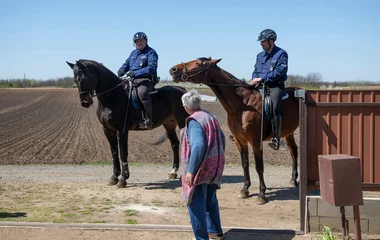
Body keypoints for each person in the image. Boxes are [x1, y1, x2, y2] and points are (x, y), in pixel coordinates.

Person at [180, 89, 226, 240]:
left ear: (186, 106)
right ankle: (216, 231)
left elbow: (198, 146)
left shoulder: (193, 121)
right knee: (210, 198)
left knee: (195, 201)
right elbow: (223, 138)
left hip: (201, 169)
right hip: (215, 166)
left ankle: (201, 238)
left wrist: (191, 171)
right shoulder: (209, 116)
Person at [249, 29, 288, 150]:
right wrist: (254, 79)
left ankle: (276, 139)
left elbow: (279, 72)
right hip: (259, 85)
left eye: (263, 42)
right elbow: (256, 70)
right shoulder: (260, 55)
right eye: (260, 42)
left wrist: (262, 78)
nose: (261, 44)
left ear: (271, 41)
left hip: (275, 86)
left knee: (274, 106)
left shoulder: (281, 54)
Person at [117, 32, 158, 129]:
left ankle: (148, 119)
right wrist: (122, 69)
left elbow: (152, 68)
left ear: (146, 41)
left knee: (142, 93)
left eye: (141, 41)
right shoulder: (133, 53)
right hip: (132, 79)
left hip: (146, 79)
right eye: (137, 41)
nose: (139, 43)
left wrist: (135, 73)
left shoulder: (151, 52)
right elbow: (126, 63)